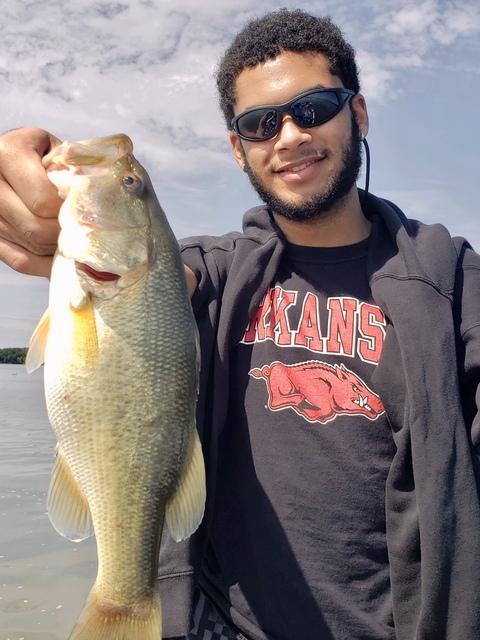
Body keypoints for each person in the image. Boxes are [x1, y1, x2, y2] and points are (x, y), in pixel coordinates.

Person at [1, 8, 480, 640]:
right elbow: (160, 283)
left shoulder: (450, 281)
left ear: (357, 116)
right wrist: (36, 195)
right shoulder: (208, 274)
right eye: (259, 123)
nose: (288, 136)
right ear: (238, 149)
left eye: (313, 108)